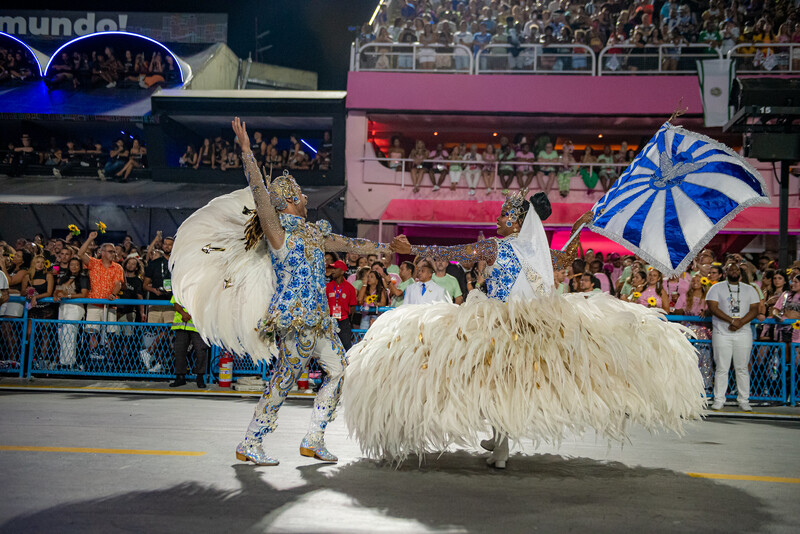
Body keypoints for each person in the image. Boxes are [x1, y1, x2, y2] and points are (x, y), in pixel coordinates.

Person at [345, 192, 704, 468]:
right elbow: (564, 258)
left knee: (494, 379)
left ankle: (501, 446)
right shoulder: (539, 252)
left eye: (503, 216)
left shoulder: (496, 246)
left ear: (516, 223)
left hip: (498, 323)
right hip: (534, 325)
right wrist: (579, 227)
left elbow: (454, 251)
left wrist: (414, 248)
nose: (498, 220)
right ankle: (498, 441)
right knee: (508, 381)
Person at [170, 117, 392, 466]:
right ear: (289, 200)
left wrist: (383, 247)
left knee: (339, 371)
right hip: (294, 319)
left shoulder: (314, 233)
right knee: (284, 381)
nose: (306, 197)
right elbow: (259, 193)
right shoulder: (279, 231)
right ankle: (251, 442)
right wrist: (247, 152)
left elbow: (350, 243)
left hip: (319, 322)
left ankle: (313, 438)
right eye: (301, 194)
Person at [706, 262, 761, 412]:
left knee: (742, 368)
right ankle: (719, 400)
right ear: (725, 272)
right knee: (722, 368)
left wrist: (740, 322)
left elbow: (755, 309)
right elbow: (712, 307)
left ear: (741, 272)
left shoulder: (750, 289)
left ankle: (744, 400)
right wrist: (731, 321)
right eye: (730, 268)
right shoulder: (716, 288)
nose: (734, 271)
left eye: (736, 269)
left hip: (743, 333)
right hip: (722, 333)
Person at [77, 233, 124, 361]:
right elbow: (80, 254)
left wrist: (113, 294)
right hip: (94, 303)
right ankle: (94, 358)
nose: (113, 254)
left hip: (110, 305)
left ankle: (108, 360)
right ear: (102, 252)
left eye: (114, 252)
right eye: (110, 251)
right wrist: (90, 238)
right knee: (93, 333)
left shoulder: (117, 267)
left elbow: (118, 283)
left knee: (110, 334)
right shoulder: (94, 263)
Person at [53, 257, 90, 367]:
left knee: (69, 334)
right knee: (61, 335)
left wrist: (68, 296)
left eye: (76, 265)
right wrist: (56, 295)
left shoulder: (83, 278)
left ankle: (68, 363)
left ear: (80, 266)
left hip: (75, 307)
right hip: (63, 307)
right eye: (72, 264)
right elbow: (57, 290)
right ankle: (63, 361)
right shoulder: (64, 277)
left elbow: (84, 294)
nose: (74, 267)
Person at [168, 296, 208, 389]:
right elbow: (175, 303)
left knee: (201, 350)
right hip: (181, 324)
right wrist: (183, 313)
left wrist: (192, 314)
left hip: (197, 325)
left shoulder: (200, 288)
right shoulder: (180, 286)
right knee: (179, 351)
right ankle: (180, 377)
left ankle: (200, 377)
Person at [326, 260, 357, 351]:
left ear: (342, 271)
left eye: (335, 268)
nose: (332, 271)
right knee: (328, 347)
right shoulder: (328, 286)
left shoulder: (350, 288)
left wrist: (345, 317)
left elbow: (352, 306)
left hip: (343, 322)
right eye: (332, 268)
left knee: (346, 347)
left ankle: (346, 365)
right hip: (329, 320)